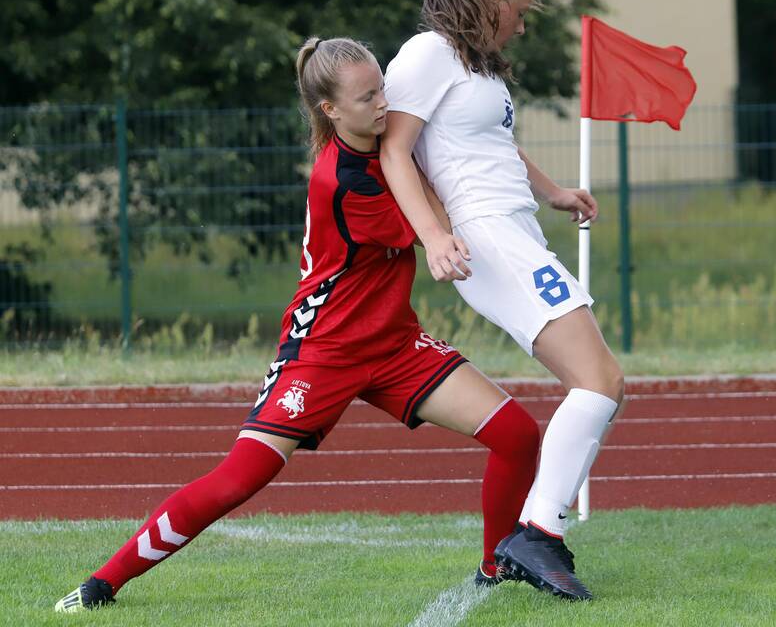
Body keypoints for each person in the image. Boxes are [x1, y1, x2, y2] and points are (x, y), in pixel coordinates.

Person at [54, 36, 540, 612]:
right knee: (240, 478)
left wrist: (547, 192)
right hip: (324, 350)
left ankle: (493, 570)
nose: (384, 103)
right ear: (330, 111)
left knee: (517, 434)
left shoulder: (394, 140)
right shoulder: (341, 181)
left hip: (394, 343)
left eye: (383, 87)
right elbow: (436, 213)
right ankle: (101, 584)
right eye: (367, 97)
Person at [379, 0, 625, 601]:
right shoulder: (426, 54)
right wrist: (433, 235)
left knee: (599, 380)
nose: (523, 19)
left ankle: (537, 533)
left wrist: (553, 192)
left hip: (514, 230)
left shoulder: (478, 68)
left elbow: (497, 146)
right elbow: (394, 152)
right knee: (598, 378)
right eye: (519, 6)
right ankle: (536, 535)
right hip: (485, 237)